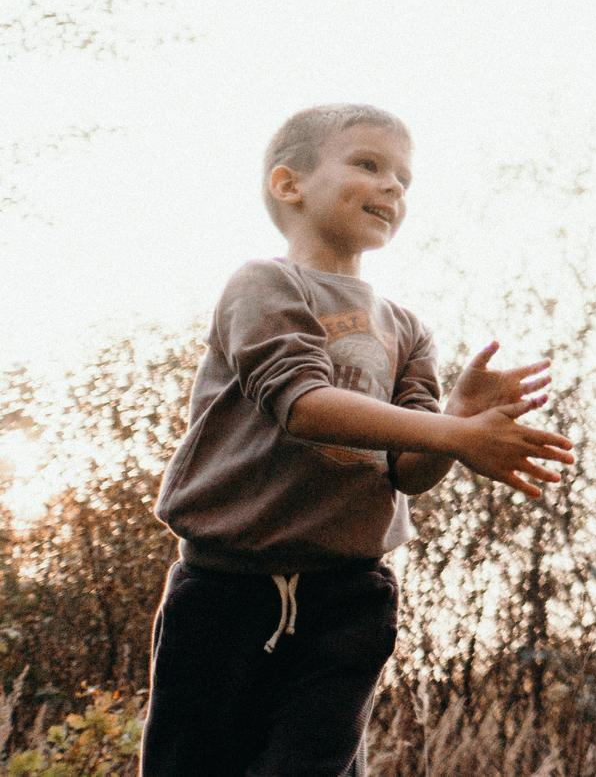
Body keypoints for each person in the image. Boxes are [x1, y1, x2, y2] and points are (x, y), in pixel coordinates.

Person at [142, 104, 574, 777]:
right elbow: (304, 405)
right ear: (290, 184)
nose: (394, 186)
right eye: (369, 164)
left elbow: (409, 470)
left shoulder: (406, 327)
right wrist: (454, 429)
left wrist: (452, 427)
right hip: (222, 590)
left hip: (347, 597)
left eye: (404, 176)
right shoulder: (263, 284)